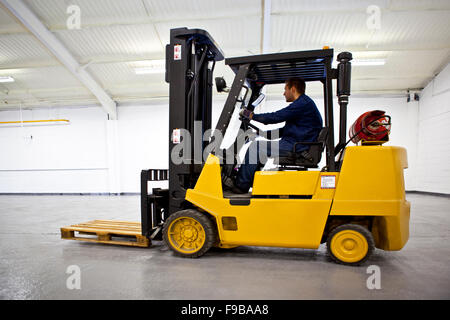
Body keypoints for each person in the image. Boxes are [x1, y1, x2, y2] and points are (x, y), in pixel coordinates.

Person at [224, 77, 323, 194]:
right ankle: (248, 180)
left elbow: (275, 117)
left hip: (298, 147)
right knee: (260, 147)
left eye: (285, 89)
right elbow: (285, 130)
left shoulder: (302, 104)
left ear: (293, 89)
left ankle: (240, 185)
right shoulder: (304, 105)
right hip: (296, 144)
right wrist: (261, 133)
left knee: (256, 147)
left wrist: (250, 115)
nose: (284, 93)